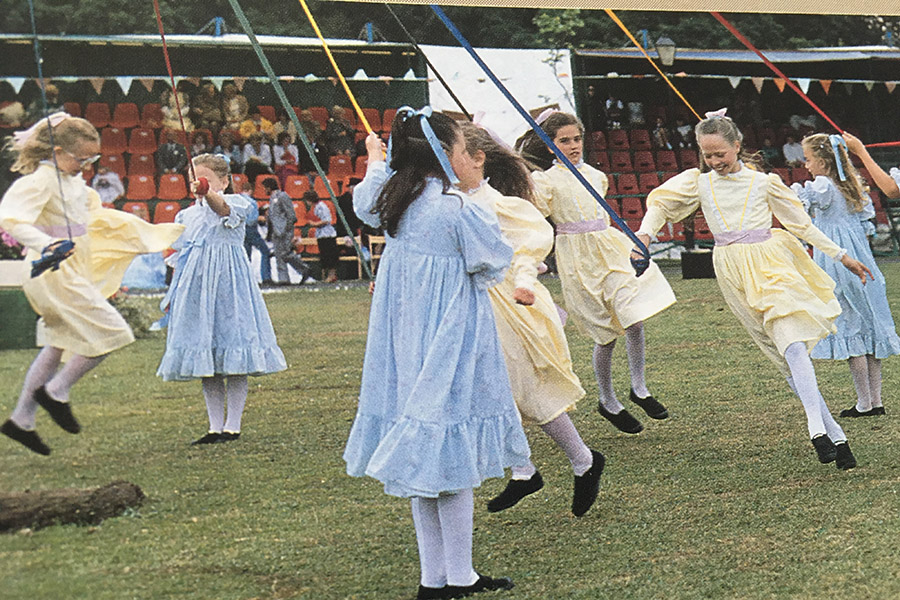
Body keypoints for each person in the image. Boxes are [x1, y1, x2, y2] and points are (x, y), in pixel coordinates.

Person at [344, 110, 529, 600]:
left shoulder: (392, 202)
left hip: (405, 336)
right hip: (451, 334)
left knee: (424, 452)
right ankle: (459, 575)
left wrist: (374, 159)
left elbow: (364, 199)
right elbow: (490, 260)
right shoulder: (457, 209)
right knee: (449, 449)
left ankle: (436, 578)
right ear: (445, 154)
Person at [635, 110, 872, 469]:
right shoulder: (698, 183)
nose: (715, 162)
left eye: (721, 154)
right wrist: (644, 235)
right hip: (731, 269)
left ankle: (814, 428)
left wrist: (842, 257)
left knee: (791, 340)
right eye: (707, 156)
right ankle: (836, 433)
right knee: (781, 355)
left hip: (771, 262)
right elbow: (661, 205)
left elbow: (802, 225)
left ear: (737, 146)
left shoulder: (764, 183)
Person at [0, 114, 183, 455]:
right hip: (53, 270)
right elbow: (10, 217)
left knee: (57, 344)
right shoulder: (41, 181)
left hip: (73, 267)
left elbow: (92, 216)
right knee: (115, 332)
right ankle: (56, 392)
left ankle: (21, 420)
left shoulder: (72, 182)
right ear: (55, 152)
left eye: (91, 160)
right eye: (80, 159)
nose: (85, 166)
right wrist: (45, 244)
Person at [457, 122, 604, 517]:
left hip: (507, 303)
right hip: (472, 303)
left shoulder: (496, 204)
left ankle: (580, 460)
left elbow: (529, 246)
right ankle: (526, 469)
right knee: (490, 386)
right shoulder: (451, 201)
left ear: (477, 159)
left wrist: (524, 281)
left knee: (523, 385)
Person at [518, 111, 676, 435]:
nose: (574, 146)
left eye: (577, 139)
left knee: (634, 313)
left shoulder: (595, 175)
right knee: (604, 333)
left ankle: (639, 386)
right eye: (565, 141)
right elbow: (535, 217)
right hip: (576, 256)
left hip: (608, 247)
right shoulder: (546, 181)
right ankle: (607, 399)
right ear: (551, 146)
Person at [157, 154, 286, 444]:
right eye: (194, 181)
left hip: (229, 285)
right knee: (208, 353)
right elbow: (180, 251)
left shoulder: (238, 203)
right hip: (199, 286)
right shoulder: (187, 215)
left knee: (234, 346)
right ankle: (215, 425)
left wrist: (208, 192)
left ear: (224, 181)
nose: (197, 185)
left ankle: (233, 424)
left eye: (205, 179)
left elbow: (222, 208)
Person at [791, 134, 900, 417]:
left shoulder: (824, 185)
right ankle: (874, 400)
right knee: (868, 326)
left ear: (823, 161)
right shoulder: (851, 185)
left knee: (851, 327)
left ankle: (864, 402)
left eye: (809, 159)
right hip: (862, 258)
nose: (806, 165)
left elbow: (800, 209)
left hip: (841, 261)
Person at [262, 177, 309, 285]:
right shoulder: (272, 198)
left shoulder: (282, 196)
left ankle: (304, 268)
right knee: (279, 256)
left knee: (285, 253)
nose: (264, 190)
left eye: (265, 188)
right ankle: (283, 279)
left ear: (269, 187)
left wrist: (287, 228)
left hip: (284, 230)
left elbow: (291, 214)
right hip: (276, 231)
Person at [239, 180, 273, 286]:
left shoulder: (237, 200)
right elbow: (252, 219)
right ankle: (266, 277)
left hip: (241, 230)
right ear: (250, 190)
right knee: (265, 251)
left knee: (246, 255)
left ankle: (246, 279)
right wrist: (260, 219)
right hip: (251, 230)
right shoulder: (252, 202)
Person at [304, 190, 338, 283]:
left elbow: (327, 220)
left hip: (327, 234)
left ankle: (332, 275)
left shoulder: (322, 207)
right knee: (324, 256)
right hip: (321, 235)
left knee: (330, 255)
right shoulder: (315, 208)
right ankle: (327, 275)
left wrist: (314, 224)